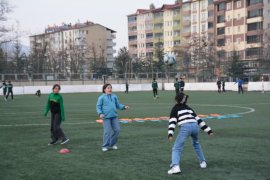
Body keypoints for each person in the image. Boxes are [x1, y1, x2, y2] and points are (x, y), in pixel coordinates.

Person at [167, 92, 213, 175]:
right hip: (195, 126)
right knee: (196, 144)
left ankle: (175, 166)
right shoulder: (189, 108)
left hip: (185, 127)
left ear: (176, 99)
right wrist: (208, 130)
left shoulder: (175, 109)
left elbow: (172, 122)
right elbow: (198, 120)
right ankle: (203, 162)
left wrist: (170, 134)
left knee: (176, 148)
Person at [96, 83, 129, 152]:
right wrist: (100, 113)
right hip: (106, 117)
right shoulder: (101, 97)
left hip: (114, 116)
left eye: (110, 88)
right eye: (108, 88)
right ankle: (105, 146)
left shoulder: (114, 96)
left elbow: (117, 105)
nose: (110, 89)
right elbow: (98, 107)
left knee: (117, 130)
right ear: (104, 89)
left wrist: (123, 107)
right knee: (107, 132)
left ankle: (112, 144)